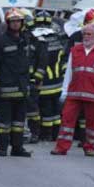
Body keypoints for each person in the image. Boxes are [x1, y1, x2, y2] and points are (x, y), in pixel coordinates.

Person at [51, 23, 94, 156]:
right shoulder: (75, 50)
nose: (86, 37)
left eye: (89, 34)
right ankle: (61, 147)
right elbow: (69, 73)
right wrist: (64, 91)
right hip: (74, 93)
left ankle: (89, 147)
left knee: (92, 123)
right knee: (66, 120)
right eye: (84, 34)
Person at [0, 8, 35, 157]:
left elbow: (30, 61)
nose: (16, 24)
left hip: (22, 88)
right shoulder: (0, 41)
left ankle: (17, 147)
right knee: (4, 123)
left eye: (18, 21)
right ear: (8, 23)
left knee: (19, 122)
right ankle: (2, 148)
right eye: (13, 21)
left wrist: (32, 81)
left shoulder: (26, 39)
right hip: (6, 87)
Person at [35, 10, 66, 141]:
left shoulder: (38, 40)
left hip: (44, 83)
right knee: (56, 112)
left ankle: (46, 134)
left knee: (46, 111)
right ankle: (56, 135)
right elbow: (63, 60)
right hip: (58, 83)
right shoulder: (57, 39)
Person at [20, 8, 47, 144]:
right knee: (19, 107)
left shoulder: (38, 40)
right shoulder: (15, 39)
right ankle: (20, 133)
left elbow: (42, 61)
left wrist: (37, 77)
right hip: (18, 79)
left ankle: (34, 132)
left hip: (31, 80)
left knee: (32, 108)